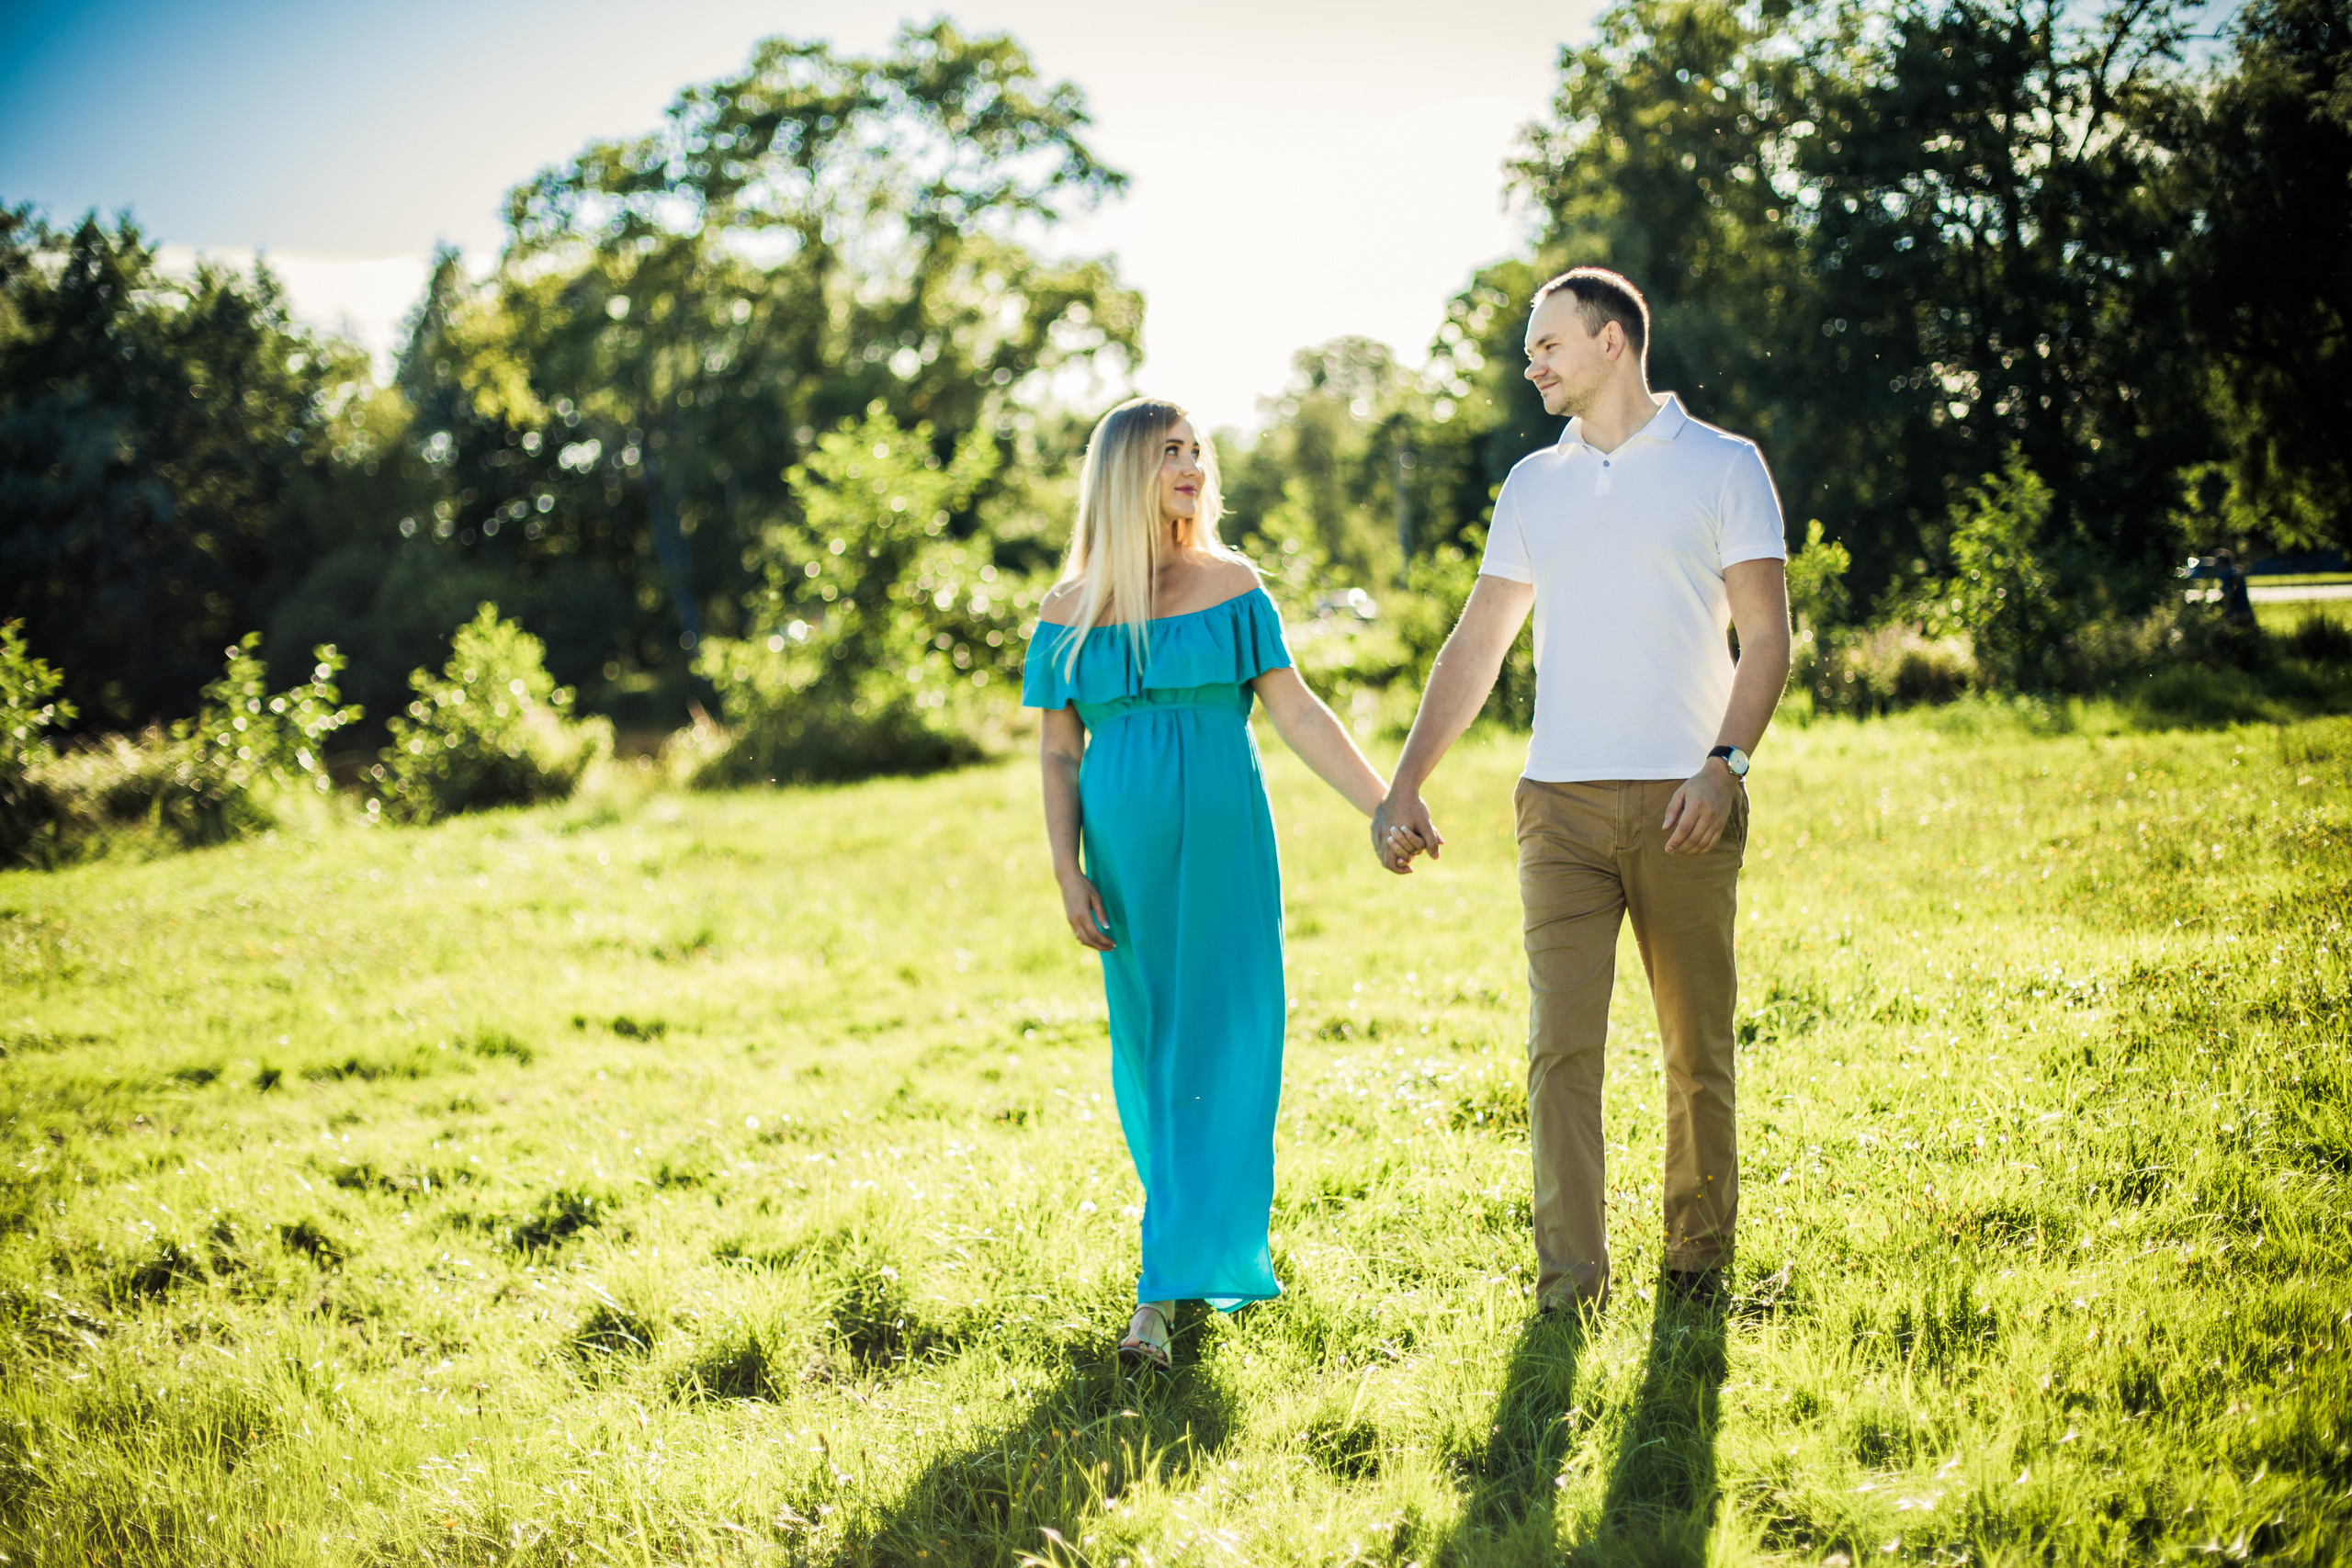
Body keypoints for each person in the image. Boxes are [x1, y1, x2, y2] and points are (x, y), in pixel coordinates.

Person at [1374, 267, 1792, 1314]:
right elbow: (1478, 642)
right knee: (1559, 1050)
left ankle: (1697, 1266)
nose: (1532, 366)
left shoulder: (1723, 466)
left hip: (1686, 803)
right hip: (1556, 806)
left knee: (1696, 1048)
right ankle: (1569, 1287)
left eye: (1547, 345)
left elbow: (1767, 637)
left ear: (1612, 342)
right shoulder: (1533, 485)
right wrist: (1405, 780)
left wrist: (1725, 766)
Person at [1023, 397, 1396, 1370]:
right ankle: (1175, 1266)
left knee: (1228, 1037)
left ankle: (1167, 1283)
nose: (1191, 466)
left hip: (1227, 845)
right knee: (1154, 1048)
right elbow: (1058, 752)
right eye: (1167, 453)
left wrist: (1383, 801)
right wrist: (1066, 870)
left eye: (1196, 450)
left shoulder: (1234, 587)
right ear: (1121, 474)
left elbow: (1298, 712)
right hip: (1126, 860)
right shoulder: (1068, 609)